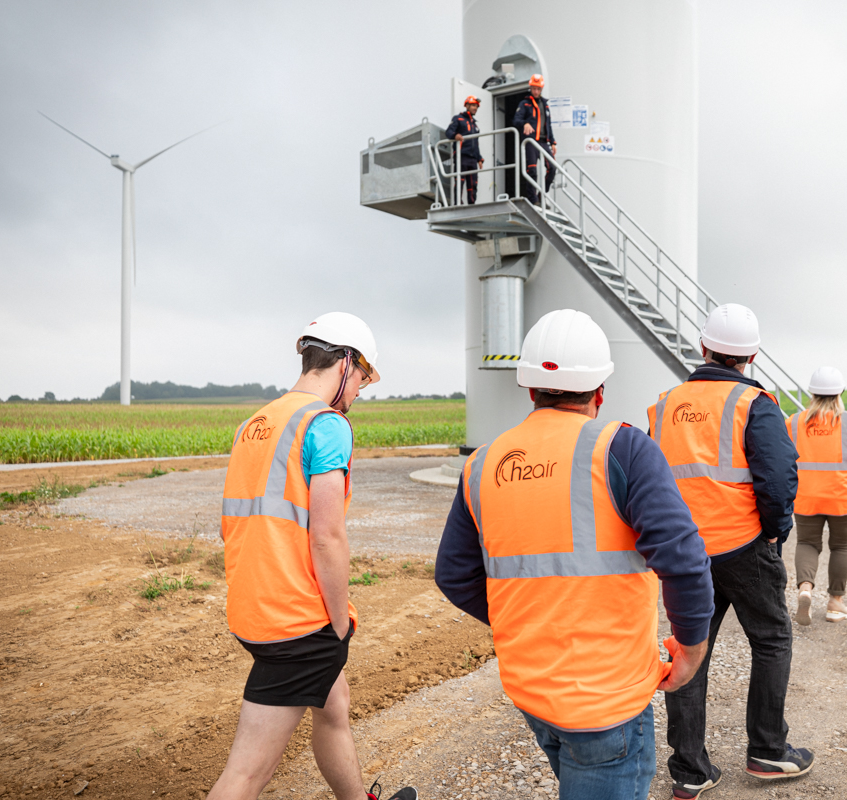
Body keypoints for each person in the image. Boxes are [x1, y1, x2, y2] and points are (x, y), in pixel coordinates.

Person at [435, 308, 715, 800]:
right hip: (606, 699)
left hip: (531, 689)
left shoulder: (482, 463)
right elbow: (684, 561)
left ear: (530, 390)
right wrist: (691, 649)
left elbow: (455, 576)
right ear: (599, 392)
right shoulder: (622, 449)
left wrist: (525, 622)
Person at [210, 312, 417, 800]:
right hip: (297, 622)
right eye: (364, 375)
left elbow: (235, 524)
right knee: (247, 774)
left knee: (334, 704)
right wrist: (339, 622)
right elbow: (327, 537)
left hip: (252, 605)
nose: (363, 389)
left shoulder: (257, 422)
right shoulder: (326, 425)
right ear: (344, 363)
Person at [647, 303, 813, 798]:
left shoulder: (664, 405)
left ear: (703, 348)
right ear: (752, 357)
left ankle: (690, 771)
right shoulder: (755, 404)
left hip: (683, 553)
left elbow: (651, 480)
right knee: (771, 639)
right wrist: (775, 531)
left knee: (689, 649)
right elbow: (779, 479)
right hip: (742, 547)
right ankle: (767, 751)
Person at [787, 367, 847, 627]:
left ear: (812, 393)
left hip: (806, 495)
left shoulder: (794, 422)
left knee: (807, 543)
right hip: (842, 496)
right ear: (840, 393)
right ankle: (835, 603)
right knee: (842, 545)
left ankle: (805, 589)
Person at [512, 74, 555, 205]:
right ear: (530, 88)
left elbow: (548, 125)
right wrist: (525, 123)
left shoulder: (545, 105)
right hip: (530, 142)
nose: (535, 91)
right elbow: (516, 120)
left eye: (538, 89)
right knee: (532, 170)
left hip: (543, 142)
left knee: (552, 168)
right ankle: (533, 199)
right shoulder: (524, 103)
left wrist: (553, 142)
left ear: (541, 89)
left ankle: (542, 194)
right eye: (533, 88)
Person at [444, 96, 484, 205]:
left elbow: (476, 144)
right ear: (467, 106)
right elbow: (448, 132)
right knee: (460, 181)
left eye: (476, 106)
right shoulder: (458, 119)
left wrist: (479, 158)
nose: (475, 108)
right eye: (473, 106)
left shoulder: (475, 125)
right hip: (461, 156)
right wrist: (455, 135)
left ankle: (472, 204)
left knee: (473, 183)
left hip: (473, 159)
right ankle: (458, 203)